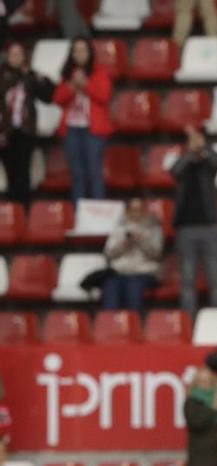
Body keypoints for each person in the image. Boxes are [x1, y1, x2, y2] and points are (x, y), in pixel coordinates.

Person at [169, 126, 217, 315]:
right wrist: (191, 152)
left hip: (210, 227)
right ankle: (188, 324)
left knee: (215, 278)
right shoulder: (183, 165)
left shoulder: (209, 165)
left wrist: (203, 148)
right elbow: (175, 171)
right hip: (186, 228)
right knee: (187, 279)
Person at [51, 38, 109, 203]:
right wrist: (71, 87)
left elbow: (104, 96)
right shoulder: (67, 73)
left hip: (93, 131)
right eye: (76, 50)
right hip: (71, 129)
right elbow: (57, 99)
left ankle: (98, 215)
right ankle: (79, 216)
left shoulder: (99, 72)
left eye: (83, 50)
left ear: (90, 53)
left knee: (94, 173)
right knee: (77, 175)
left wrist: (85, 84)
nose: (79, 54)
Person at [1, 42, 55, 211]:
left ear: (24, 57)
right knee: (10, 171)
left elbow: (48, 96)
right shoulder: (2, 76)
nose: (15, 58)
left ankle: (24, 211)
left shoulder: (30, 76)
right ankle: (11, 211)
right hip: (6, 131)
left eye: (19, 54)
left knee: (23, 172)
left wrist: (36, 77)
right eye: (12, 54)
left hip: (26, 130)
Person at [100, 198, 163, 311]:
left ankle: (133, 324)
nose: (136, 213)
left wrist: (142, 241)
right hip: (120, 272)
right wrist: (125, 244)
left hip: (143, 272)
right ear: (128, 211)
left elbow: (156, 254)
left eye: (139, 210)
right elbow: (109, 253)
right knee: (110, 285)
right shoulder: (119, 228)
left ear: (144, 211)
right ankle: (110, 324)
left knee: (133, 285)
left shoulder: (154, 227)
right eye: (133, 210)